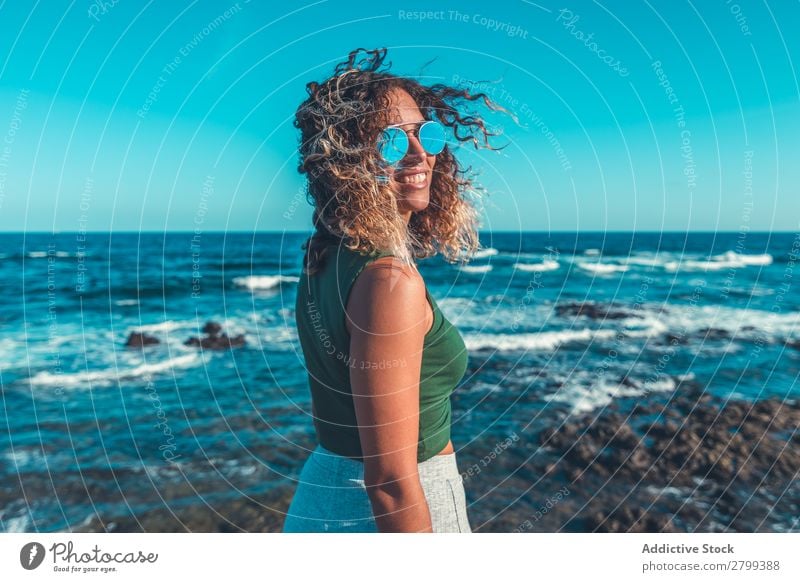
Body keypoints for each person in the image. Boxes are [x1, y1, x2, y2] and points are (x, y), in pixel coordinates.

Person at [283, 48, 505, 533]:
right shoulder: (389, 283)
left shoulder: (324, 254)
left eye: (426, 134)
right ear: (346, 160)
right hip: (389, 509)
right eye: (389, 141)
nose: (418, 153)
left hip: (326, 493)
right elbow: (388, 480)